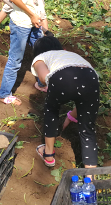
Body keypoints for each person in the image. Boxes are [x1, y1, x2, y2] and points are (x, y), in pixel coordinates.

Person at [0, 0, 63, 106]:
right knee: (15, 60)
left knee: (42, 53)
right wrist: (32, 15)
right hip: (21, 22)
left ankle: (41, 83)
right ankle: (4, 95)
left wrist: (37, 14)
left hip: (33, 20)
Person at [31, 36, 99, 169]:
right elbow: (81, 98)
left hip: (63, 78)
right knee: (88, 129)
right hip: (91, 77)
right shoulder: (69, 54)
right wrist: (70, 116)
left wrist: (44, 85)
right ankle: (91, 176)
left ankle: (48, 155)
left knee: (51, 109)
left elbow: (44, 78)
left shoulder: (40, 57)